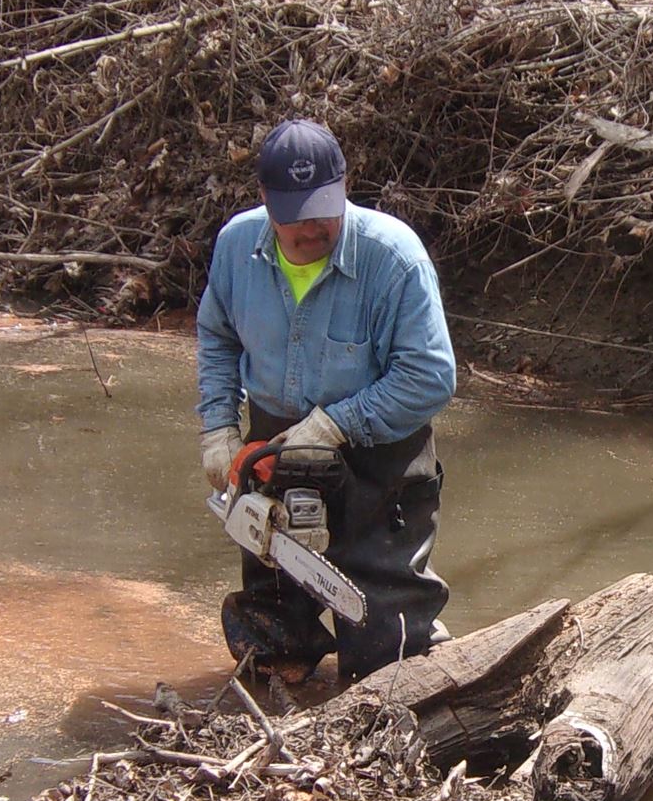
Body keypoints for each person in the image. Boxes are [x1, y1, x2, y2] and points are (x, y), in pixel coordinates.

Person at [196, 118, 457, 683]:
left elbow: (431, 376)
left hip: (380, 453)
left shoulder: (394, 258)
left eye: (322, 209)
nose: (311, 229)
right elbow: (217, 338)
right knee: (271, 645)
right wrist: (218, 429)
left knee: (387, 660)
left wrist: (335, 426)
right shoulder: (236, 247)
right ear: (265, 199)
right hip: (273, 445)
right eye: (294, 216)